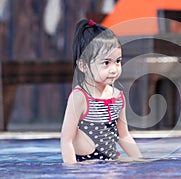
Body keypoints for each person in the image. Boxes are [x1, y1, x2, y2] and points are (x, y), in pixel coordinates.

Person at [60, 19, 143, 164]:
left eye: (118, 61)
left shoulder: (117, 97)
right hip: (85, 165)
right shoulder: (80, 96)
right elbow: (66, 140)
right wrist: (71, 170)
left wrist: (141, 161)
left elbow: (123, 136)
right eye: (106, 63)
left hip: (110, 162)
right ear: (83, 66)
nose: (114, 69)